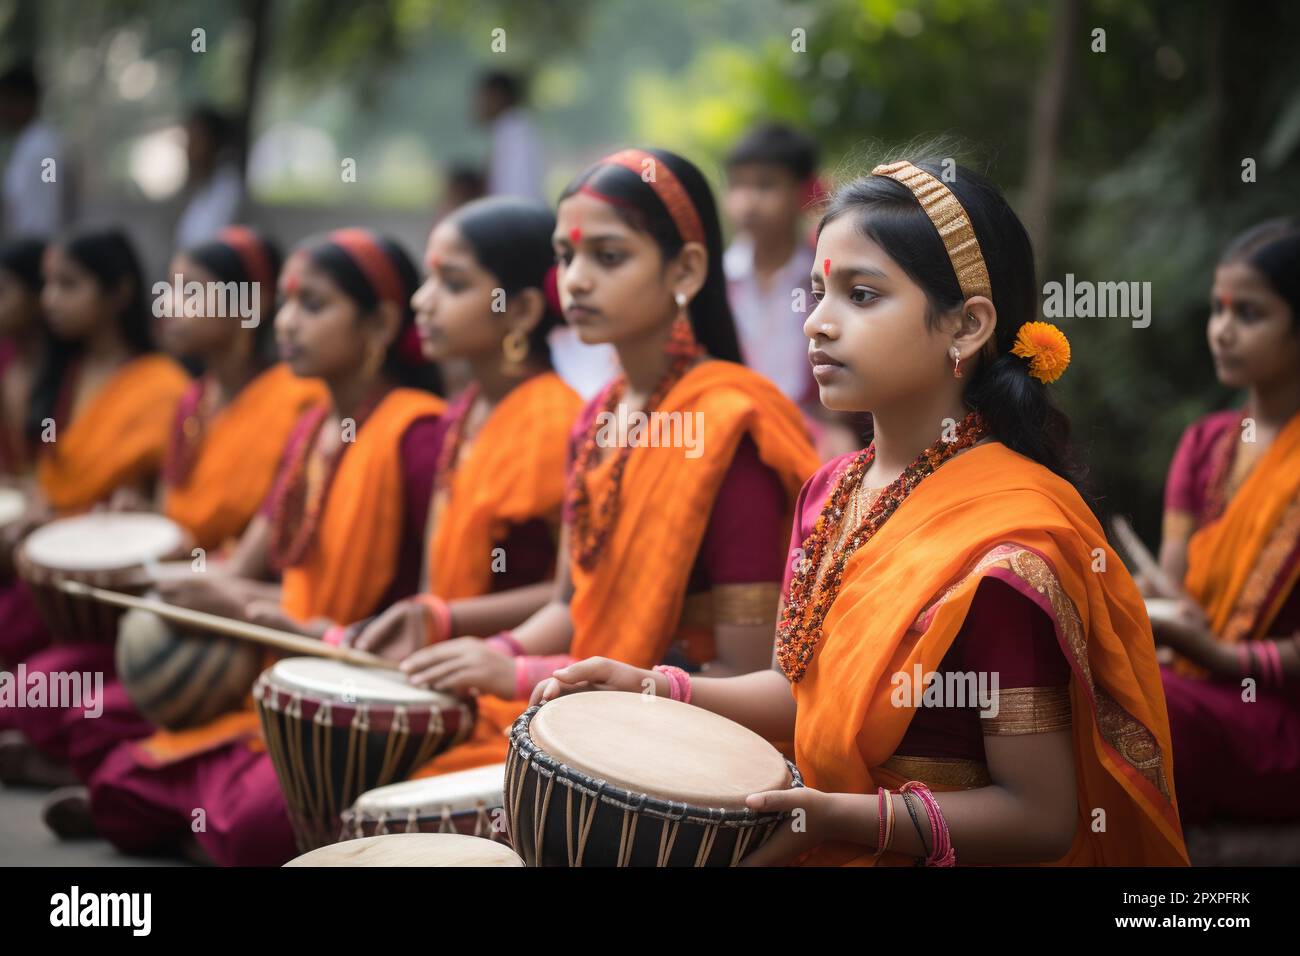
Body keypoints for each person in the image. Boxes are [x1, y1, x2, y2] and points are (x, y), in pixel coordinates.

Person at [535, 156, 1188, 867]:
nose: (817, 323)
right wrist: (656, 688)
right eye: (817, 293)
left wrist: (844, 819)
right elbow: (804, 695)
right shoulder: (833, 488)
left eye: (862, 295)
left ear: (966, 327)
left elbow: (1039, 817)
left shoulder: (1011, 542)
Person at [392, 148, 820, 778]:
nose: (577, 279)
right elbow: (570, 605)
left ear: (687, 269)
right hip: (580, 712)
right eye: (566, 256)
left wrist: (519, 673)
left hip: (680, 748)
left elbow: (747, 670)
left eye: (608, 256)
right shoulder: (598, 417)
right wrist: (489, 651)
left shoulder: (731, 426)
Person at [85, 229, 443, 865]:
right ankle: (207, 818)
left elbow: (424, 609)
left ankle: (209, 822)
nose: (286, 323)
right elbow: (254, 571)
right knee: (114, 778)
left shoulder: (416, 436)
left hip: (359, 692)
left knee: (254, 826)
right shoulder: (310, 431)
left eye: (314, 305)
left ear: (382, 321)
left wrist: (290, 622)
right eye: (285, 304)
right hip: (279, 672)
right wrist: (205, 590)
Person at [345, 196, 582, 773]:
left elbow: (573, 596)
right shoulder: (463, 412)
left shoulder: (558, 420)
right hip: (449, 672)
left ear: (521, 310)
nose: (421, 303)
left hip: (523, 691)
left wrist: (447, 619)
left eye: (451, 284)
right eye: (428, 280)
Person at [1152, 217, 1300, 826]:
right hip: (1197, 686)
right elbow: (1173, 593)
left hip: (1280, 718)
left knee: (1149, 703)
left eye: (1250, 314)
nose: (1223, 331)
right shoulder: (1205, 444)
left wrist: (1222, 657)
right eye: (1218, 309)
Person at [0, 64, 68, 239]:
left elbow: (47, 205)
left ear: (25, 101)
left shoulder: (44, 150)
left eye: (5, 100)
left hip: (36, 252)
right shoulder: (26, 146)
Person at [174, 107, 244, 249]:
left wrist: (180, 271)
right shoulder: (202, 190)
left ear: (213, 142)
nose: (189, 149)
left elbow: (205, 247)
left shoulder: (229, 190)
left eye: (195, 139)